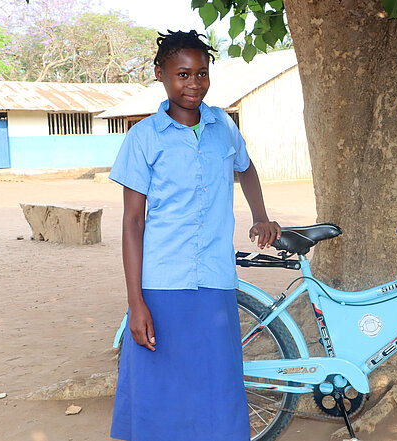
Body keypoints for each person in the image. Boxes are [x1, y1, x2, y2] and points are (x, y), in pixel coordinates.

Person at [108, 30, 281, 441]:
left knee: (217, 382)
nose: (194, 84)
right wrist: (136, 304)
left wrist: (261, 215)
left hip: (216, 278)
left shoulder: (223, 126)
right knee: (161, 383)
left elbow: (246, 167)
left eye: (201, 73)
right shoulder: (144, 138)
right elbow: (133, 223)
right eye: (182, 74)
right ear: (160, 74)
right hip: (162, 283)